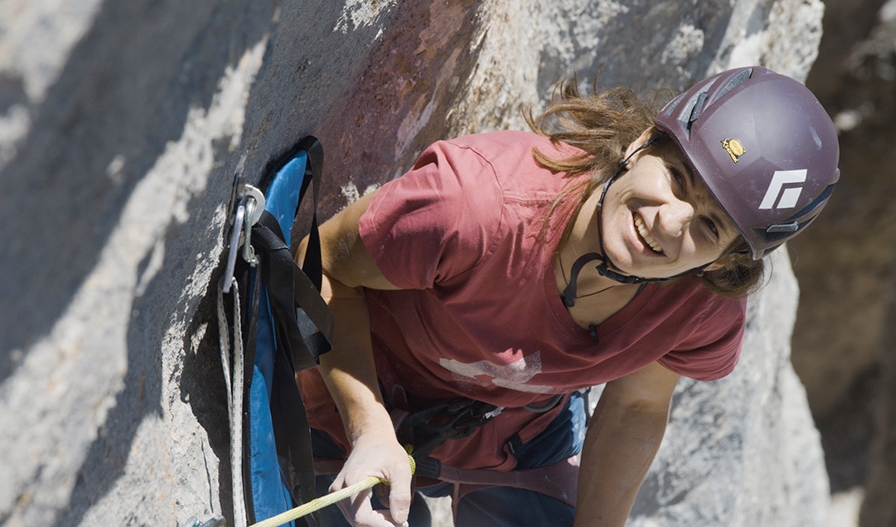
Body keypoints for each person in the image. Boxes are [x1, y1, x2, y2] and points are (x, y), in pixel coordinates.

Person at [295, 66, 840, 526]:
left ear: (724, 261)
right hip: (352, 391)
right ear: (639, 144)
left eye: (708, 226)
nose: (667, 223)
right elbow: (321, 265)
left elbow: (637, 404)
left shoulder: (698, 306)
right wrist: (368, 424)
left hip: (510, 428)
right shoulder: (475, 206)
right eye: (677, 178)